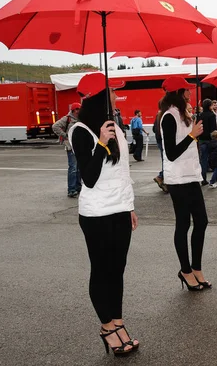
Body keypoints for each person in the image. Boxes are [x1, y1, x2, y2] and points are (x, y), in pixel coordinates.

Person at [68, 72, 139, 356]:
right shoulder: (80, 131)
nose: (116, 95)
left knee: (117, 270)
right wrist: (100, 142)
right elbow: (90, 177)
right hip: (97, 214)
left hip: (120, 209)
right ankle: (107, 326)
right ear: (100, 96)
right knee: (102, 270)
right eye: (112, 91)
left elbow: (123, 173)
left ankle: (119, 322)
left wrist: (130, 206)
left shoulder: (115, 127)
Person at [159, 77, 211, 292]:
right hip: (177, 179)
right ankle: (185, 270)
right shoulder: (168, 117)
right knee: (183, 224)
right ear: (178, 92)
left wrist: (195, 131)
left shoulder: (184, 114)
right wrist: (191, 136)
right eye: (187, 89)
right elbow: (170, 153)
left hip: (191, 176)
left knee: (202, 221)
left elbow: (189, 143)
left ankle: (196, 267)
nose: (191, 92)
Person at [52, 102, 82, 198]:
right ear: (73, 110)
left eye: (79, 109)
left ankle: (78, 187)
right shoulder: (67, 118)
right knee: (73, 168)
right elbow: (55, 126)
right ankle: (71, 189)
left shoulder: (81, 118)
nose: (78, 111)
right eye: (77, 109)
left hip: (79, 146)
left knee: (79, 168)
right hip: (70, 146)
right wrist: (65, 136)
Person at [197, 99, 217, 186]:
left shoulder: (200, 115)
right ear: (210, 106)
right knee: (215, 158)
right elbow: (213, 128)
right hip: (210, 139)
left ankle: (203, 178)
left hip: (201, 140)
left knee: (203, 160)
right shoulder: (212, 115)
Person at [152, 100, 168, 193]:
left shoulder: (158, 115)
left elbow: (154, 129)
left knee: (165, 160)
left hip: (159, 139)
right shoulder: (165, 115)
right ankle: (161, 177)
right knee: (167, 160)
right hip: (163, 140)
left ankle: (162, 178)